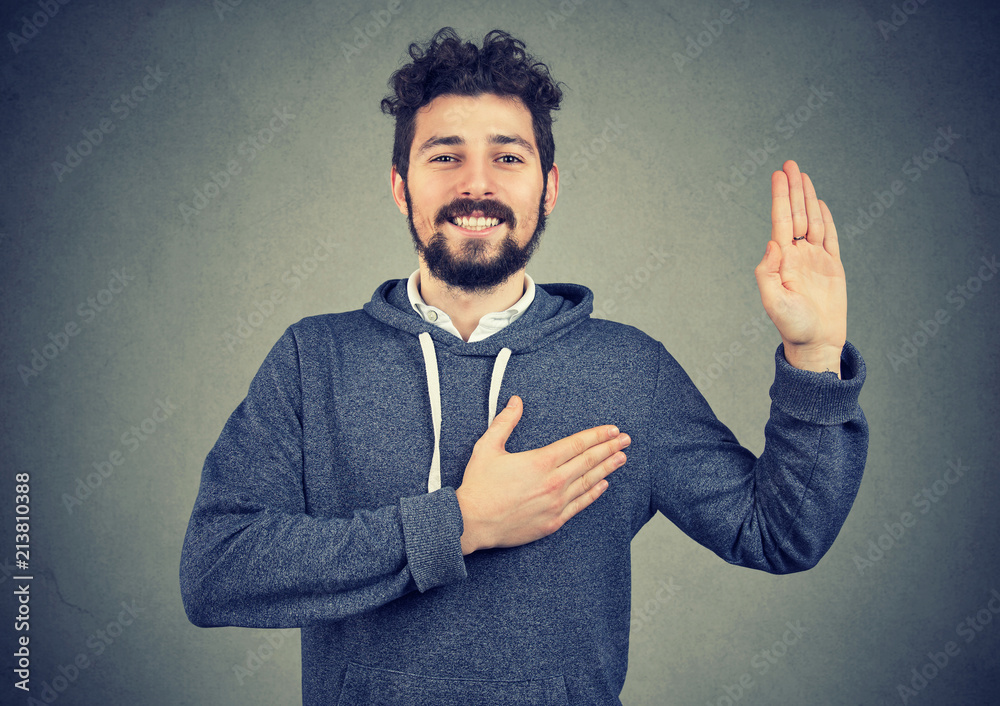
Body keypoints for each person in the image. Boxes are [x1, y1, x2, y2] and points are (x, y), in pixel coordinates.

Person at [180, 27, 868, 706]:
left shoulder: (629, 370)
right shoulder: (313, 360)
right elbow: (217, 569)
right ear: (399, 186)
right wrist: (460, 524)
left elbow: (779, 534)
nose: (476, 184)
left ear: (550, 186)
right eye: (444, 157)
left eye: (508, 159)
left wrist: (813, 356)